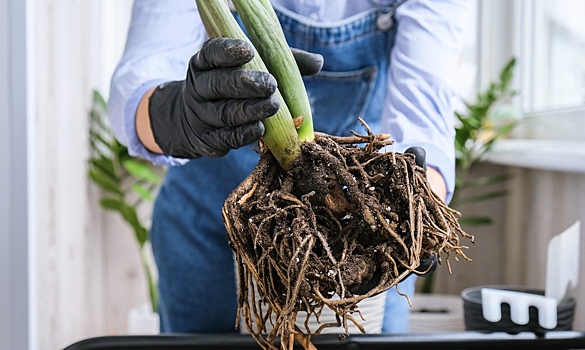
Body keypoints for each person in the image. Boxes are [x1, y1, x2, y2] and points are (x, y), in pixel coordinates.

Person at [109, 0, 468, 334]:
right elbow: (143, 74)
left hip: (363, 231)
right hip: (207, 228)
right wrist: (177, 114)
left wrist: (414, 212)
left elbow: (424, 106)